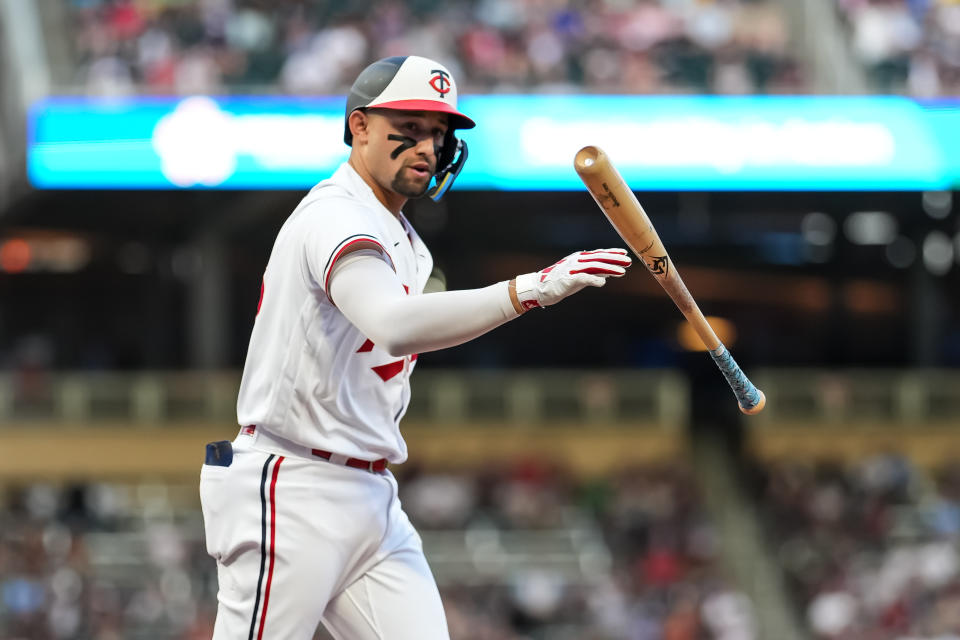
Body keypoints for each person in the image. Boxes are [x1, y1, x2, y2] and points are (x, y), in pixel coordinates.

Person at [198, 55, 631, 640]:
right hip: (293, 482)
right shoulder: (335, 214)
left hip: (369, 492)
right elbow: (393, 323)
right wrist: (530, 289)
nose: (429, 145)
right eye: (410, 125)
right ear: (360, 126)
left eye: (439, 131)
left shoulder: (404, 238)